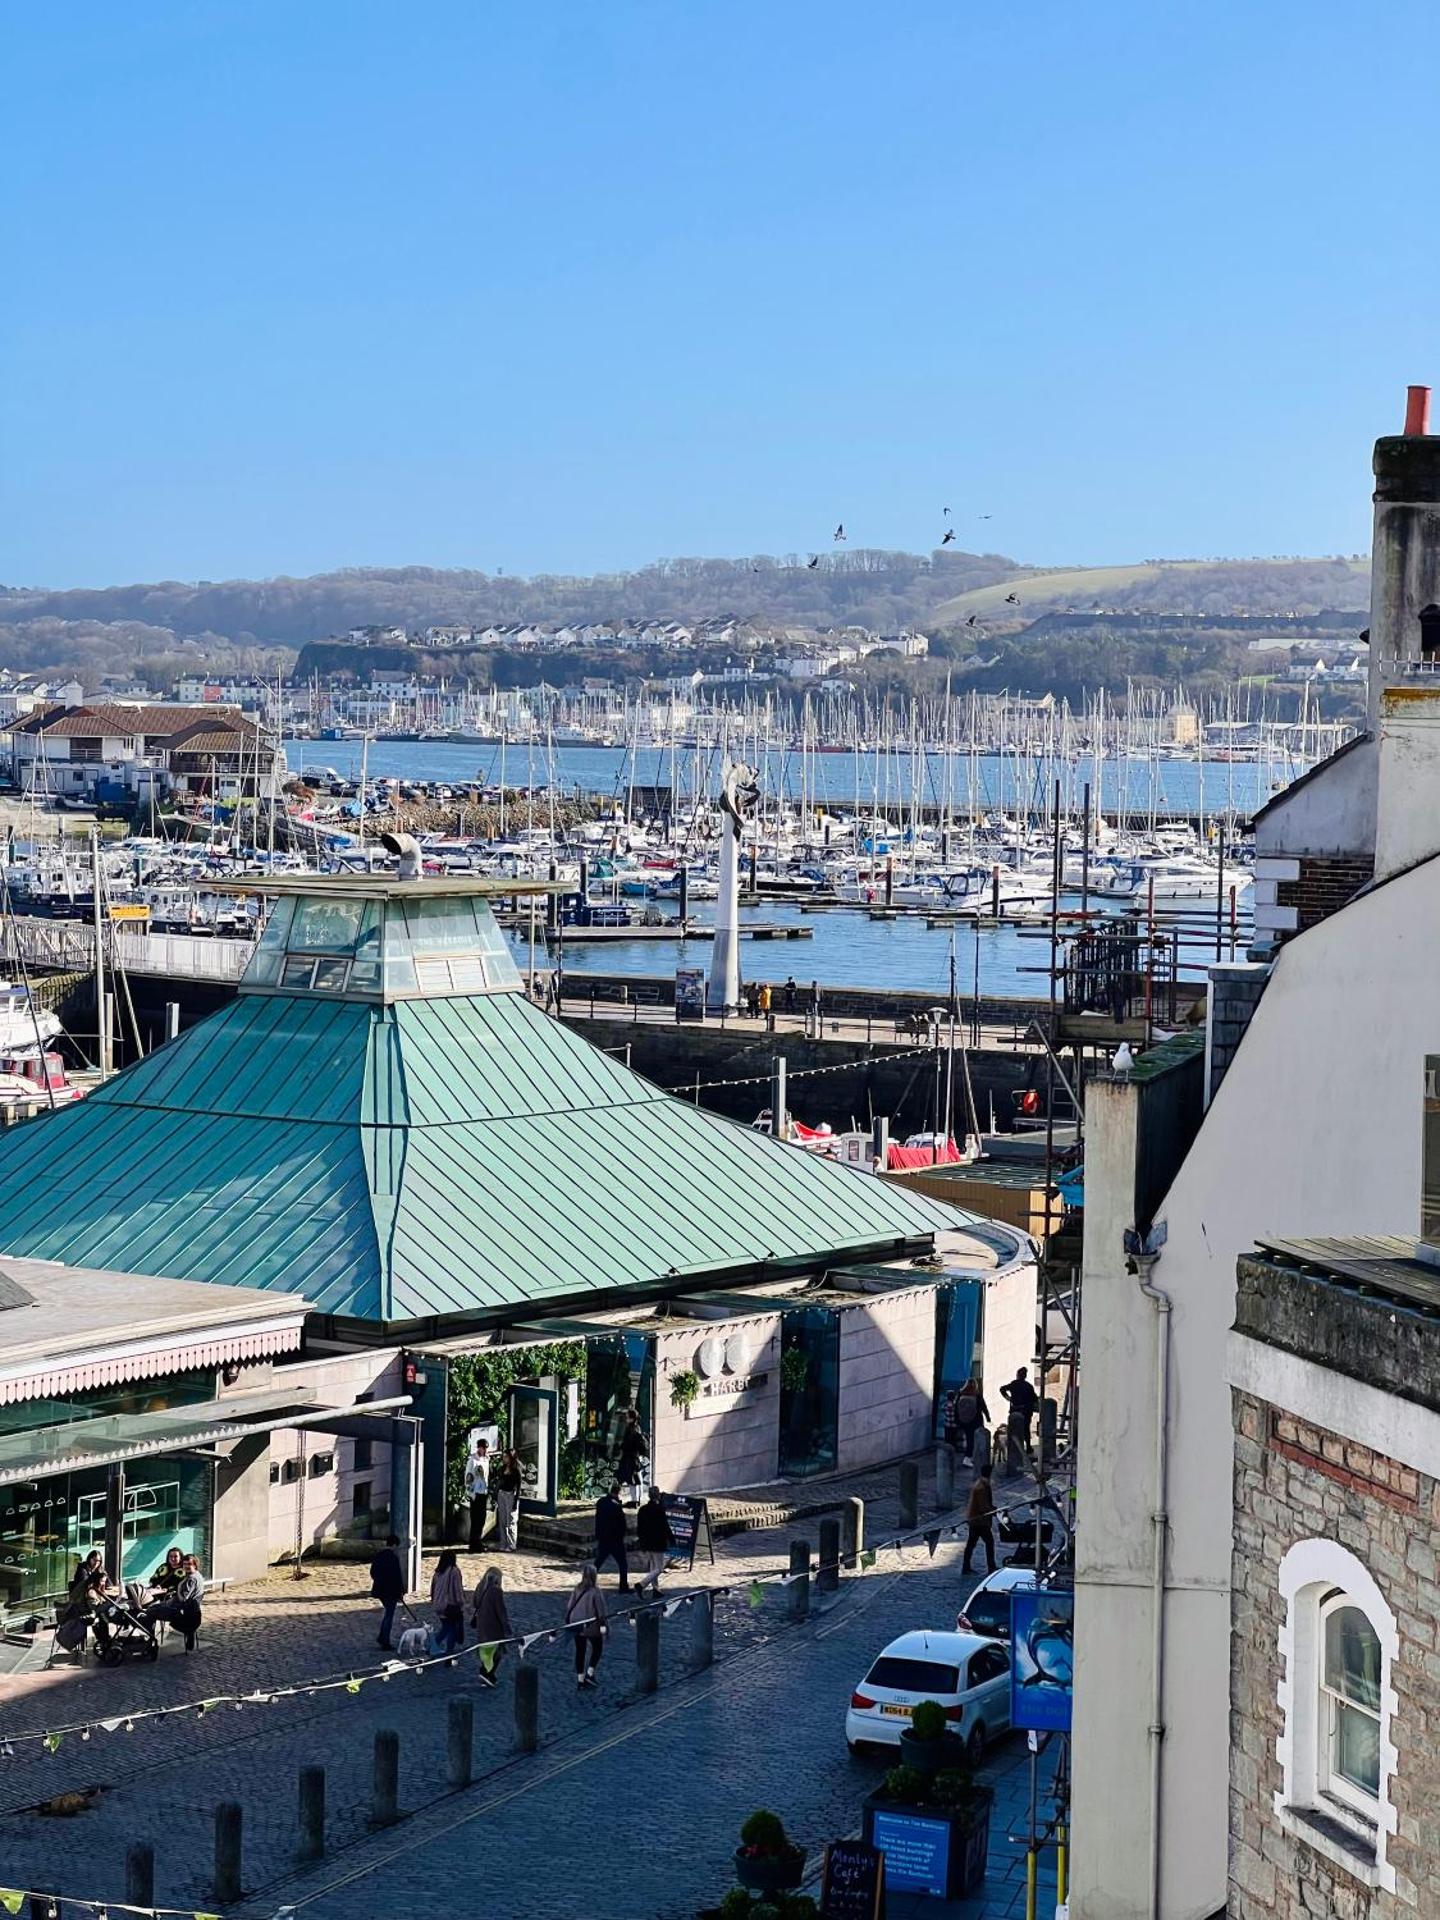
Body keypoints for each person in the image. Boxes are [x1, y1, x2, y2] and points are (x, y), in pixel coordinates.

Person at [564, 1564, 608, 1688]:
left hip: (575, 1624)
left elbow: (569, 1606)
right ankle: (590, 1673)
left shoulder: (577, 1588)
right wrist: (603, 1626)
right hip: (590, 1624)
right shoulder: (596, 1591)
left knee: (580, 1651)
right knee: (597, 1647)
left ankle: (580, 1680)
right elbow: (601, 1611)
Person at [470, 1566, 512, 1686]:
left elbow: (474, 1603)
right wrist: (507, 1628)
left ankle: (487, 1674)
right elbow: (501, 1611)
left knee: (486, 1651)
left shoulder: (480, 1587)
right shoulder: (496, 1591)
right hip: (493, 1626)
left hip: (482, 1625)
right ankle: (486, 1673)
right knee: (497, 1652)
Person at [71, 1551, 116, 1653]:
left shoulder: (99, 1570)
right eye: (94, 1560)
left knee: (102, 1614)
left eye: (99, 1561)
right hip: (82, 1603)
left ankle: (104, 1639)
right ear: (89, 1559)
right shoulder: (82, 1570)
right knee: (100, 1614)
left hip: (93, 1601)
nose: (96, 1563)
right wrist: (96, 1579)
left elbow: (109, 1584)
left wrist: (104, 1579)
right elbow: (85, 1586)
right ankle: (104, 1640)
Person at [369, 1534, 406, 1650]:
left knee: (387, 1614)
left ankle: (382, 1636)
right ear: (394, 1545)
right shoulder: (393, 1558)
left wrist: (379, 1580)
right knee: (389, 1616)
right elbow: (397, 1576)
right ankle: (385, 1640)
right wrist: (400, 1591)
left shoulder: (379, 1555)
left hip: (380, 1590)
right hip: (390, 1591)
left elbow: (372, 1572)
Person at [633, 1486, 674, 1593]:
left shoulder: (643, 1510)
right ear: (658, 1495)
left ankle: (656, 1589)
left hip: (647, 1542)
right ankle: (642, 1584)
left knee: (653, 1566)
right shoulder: (659, 1509)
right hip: (658, 1542)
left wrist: (641, 1541)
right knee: (659, 1568)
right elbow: (665, 1526)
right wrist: (671, 1538)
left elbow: (639, 1528)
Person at [1000, 1366, 1040, 1465]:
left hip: (1015, 1410)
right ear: (1025, 1376)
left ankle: (1014, 1446)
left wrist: (1008, 1398)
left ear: (1018, 1375)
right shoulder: (1028, 1386)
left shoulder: (1014, 1384)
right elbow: (1034, 1399)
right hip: (1026, 1411)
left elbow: (1002, 1389)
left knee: (1013, 1429)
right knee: (1026, 1429)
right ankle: (1028, 1447)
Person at [593, 1485, 630, 1591]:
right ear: (618, 1492)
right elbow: (622, 1524)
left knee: (598, 1561)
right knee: (622, 1563)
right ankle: (623, 1586)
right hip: (615, 1540)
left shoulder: (601, 1502)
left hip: (603, 1538)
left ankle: (588, 1582)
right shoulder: (616, 1506)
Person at [431, 1548, 466, 1653]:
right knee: (451, 1630)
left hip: (438, 1605)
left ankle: (433, 1647)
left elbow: (432, 1589)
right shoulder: (454, 1571)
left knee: (446, 1628)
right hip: (450, 1606)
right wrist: (462, 1603)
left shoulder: (437, 1572)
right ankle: (448, 1653)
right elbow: (458, 1589)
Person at [964, 1471, 996, 1575]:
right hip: (979, 1521)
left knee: (971, 1544)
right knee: (988, 1542)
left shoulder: (981, 1485)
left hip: (976, 1520)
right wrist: (993, 1510)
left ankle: (966, 1566)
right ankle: (991, 1567)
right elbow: (983, 1507)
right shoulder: (981, 1488)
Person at [615, 1408, 649, 1507]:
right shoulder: (637, 1428)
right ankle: (636, 1500)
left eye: (627, 1417)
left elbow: (627, 1443)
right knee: (636, 1479)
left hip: (630, 1457)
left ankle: (634, 1501)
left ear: (631, 1418)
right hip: (635, 1457)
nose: (625, 1419)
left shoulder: (631, 1430)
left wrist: (621, 1446)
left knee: (632, 1480)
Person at [953, 1377, 991, 1463]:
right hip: (976, 1420)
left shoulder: (960, 1393)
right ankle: (970, 1456)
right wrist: (988, 1417)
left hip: (965, 1421)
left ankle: (968, 1456)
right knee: (979, 1437)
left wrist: (957, 1419)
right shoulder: (976, 1394)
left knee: (969, 1437)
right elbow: (983, 1406)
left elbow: (956, 1408)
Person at [493, 1449, 523, 1550]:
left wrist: (516, 1500)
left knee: (510, 1521)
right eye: (503, 1456)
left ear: (511, 1458)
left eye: (506, 1457)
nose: (504, 1458)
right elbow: (499, 1481)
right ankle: (503, 1543)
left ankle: (511, 1544)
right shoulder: (502, 1468)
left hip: (511, 1495)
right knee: (502, 1520)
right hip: (502, 1494)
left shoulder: (516, 1470)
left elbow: (518, 1486)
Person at [466, 1438, 490, 1551]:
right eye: (483, 1448)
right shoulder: (472, 1460)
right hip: (475, 1492)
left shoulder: (486, 1460)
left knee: (482, 1518)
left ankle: (478, 1541)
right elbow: (468, 1476)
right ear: (479, 1447)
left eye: (486, 1448)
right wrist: (470, 1492)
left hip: (483, 1492)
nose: (484, 1450)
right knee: (475, 1518)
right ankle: (473, 1543)